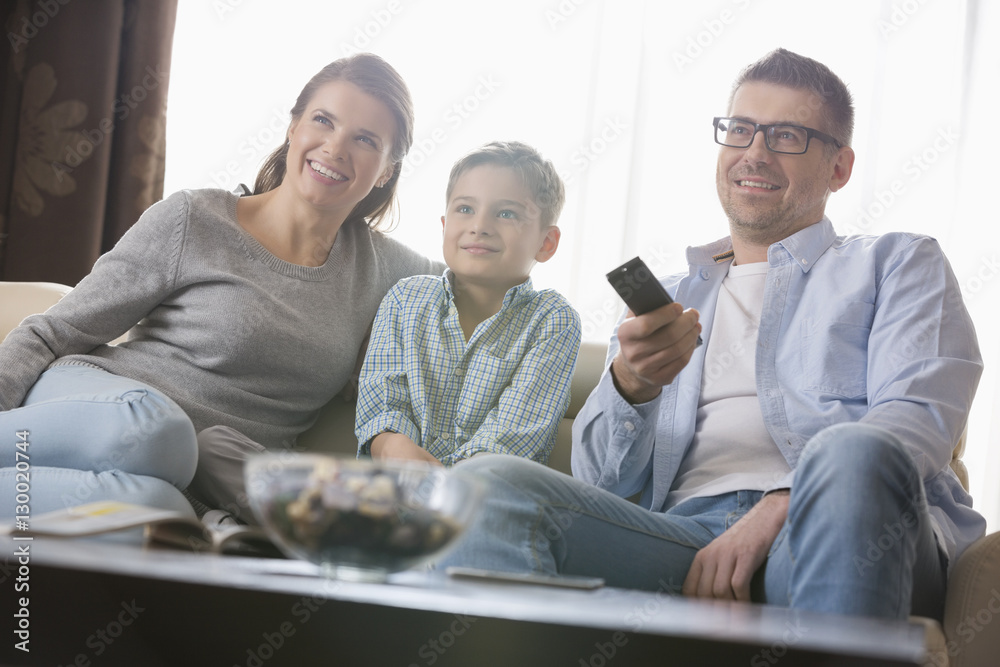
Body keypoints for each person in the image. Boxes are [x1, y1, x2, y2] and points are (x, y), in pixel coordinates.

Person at [437, 48, 985, 622]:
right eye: (741, 130)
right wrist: (632, 385)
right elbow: (601, 482)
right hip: (686, 545)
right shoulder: (671, 299)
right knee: (484, 485)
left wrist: (779, 505)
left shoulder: (897, 262)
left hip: (834, 531)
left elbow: (918, 414)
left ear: (839, 168)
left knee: (853, 452)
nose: (755, 153)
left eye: (787, 136)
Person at [0, 53, 441, 518]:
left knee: (159, 514)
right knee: (161, 432)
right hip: (101, 407)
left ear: (387, 170)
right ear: (293, 127)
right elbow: (53, 332)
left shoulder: (388, 269)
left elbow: (481, 281)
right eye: (323, 121)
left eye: (365, 139)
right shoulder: (195, 218)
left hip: (180, 481)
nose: (335, 148)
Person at [355, 141, 581, 468]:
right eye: (465, 209)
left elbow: (509, 442)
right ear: (445, 225)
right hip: (393, 490)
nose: (479, 226)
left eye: (506, 213)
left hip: (487, 494)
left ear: (546, 243)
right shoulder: (404, 299)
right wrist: (392, 445)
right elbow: (383, 404)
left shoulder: (552, 320)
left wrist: (441, 483)